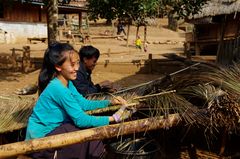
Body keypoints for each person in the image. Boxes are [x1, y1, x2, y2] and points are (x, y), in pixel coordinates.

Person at [25, 42, 133, 159]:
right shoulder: (58, 88)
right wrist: (113, 118)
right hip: (40, 141)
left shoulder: (68, 83)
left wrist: (110, 102)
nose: (77, 68)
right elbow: (81, 120)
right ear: (58, 66)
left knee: (88, 135)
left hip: (55, 131)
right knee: (89, 136)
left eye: (77, 63)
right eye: (72, 65)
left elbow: (83, 104)